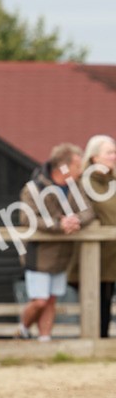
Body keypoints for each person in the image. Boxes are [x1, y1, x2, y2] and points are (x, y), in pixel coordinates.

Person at [16, 143, 94, 341]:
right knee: (40, 301)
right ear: (64, 167)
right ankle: (23, 328)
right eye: (77, 165)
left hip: (62, 254)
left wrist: (76, 220)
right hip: (38, 253)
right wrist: (59, 224)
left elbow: (88, 212)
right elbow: (27, 218)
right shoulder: (33, 189)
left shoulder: (76, 187)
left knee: (51, 300)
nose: (81, 170)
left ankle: (45, 339)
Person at [67, 135, 116, 338]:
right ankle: (96, 344)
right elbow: (80, 212)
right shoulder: (84, 183)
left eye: (114, 152)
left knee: (105, 302)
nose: (114, 156)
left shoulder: (112, 182)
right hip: (96, 257)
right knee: (98, 304)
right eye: (109, 153)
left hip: (113, 255)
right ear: (95, 158)